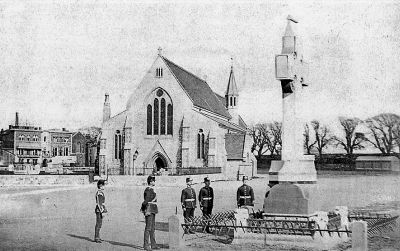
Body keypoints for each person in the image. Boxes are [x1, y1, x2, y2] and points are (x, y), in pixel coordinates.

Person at [141, 175, 159, 251]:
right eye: (153, 181)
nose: (154, 182)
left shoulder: (152, 189)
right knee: (148, 228)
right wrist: (144, 209)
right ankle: (146, 245)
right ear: (151, 182)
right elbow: (145, 201)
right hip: (149, 208)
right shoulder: (148, 190)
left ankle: (153, 244)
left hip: (153, 208)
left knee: (152, 228)